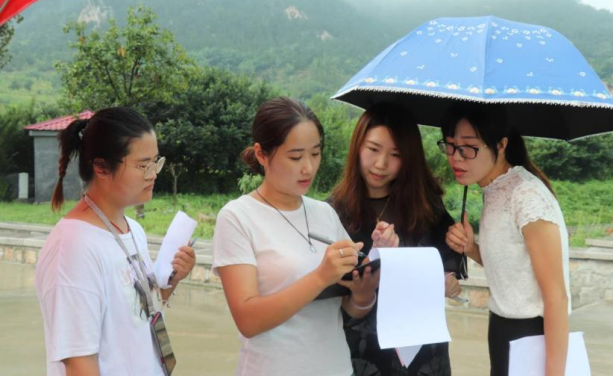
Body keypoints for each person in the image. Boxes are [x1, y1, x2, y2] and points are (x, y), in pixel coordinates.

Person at [211, 97, 398, 376]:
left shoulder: (325, 213)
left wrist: (366, 286)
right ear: (262, 154)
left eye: (315, 153)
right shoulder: (238, 217)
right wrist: (321, 276)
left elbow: (347, 310)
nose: (308, 167)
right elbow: (248, 320)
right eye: (296, 157)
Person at [35, 107, 196, 376]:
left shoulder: (132, 230)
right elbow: (79, 363)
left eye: (155, 162)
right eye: (143, 165)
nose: (153, 173)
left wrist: (173, 278)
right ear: (101, 167)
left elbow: (139, 312)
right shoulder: (73, 249)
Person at [330, 103, 464, 376]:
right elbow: (327, 295)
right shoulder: (333, 212)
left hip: (424, 353)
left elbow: (448, 258)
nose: (381, 164)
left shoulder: (426, 205)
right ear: (357, 146)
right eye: (373, 149)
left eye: (395, 155)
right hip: (362, 352)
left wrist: (448, 277)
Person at [441, 104, 571, 376]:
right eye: (450, 145)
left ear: (501, 145)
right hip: (502, 329)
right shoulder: (494, 188)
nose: (455, 158)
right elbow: (514, 270)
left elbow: (556, 297)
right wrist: (471, 248)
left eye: (468, 147)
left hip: (530, 335)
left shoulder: (527, 196)